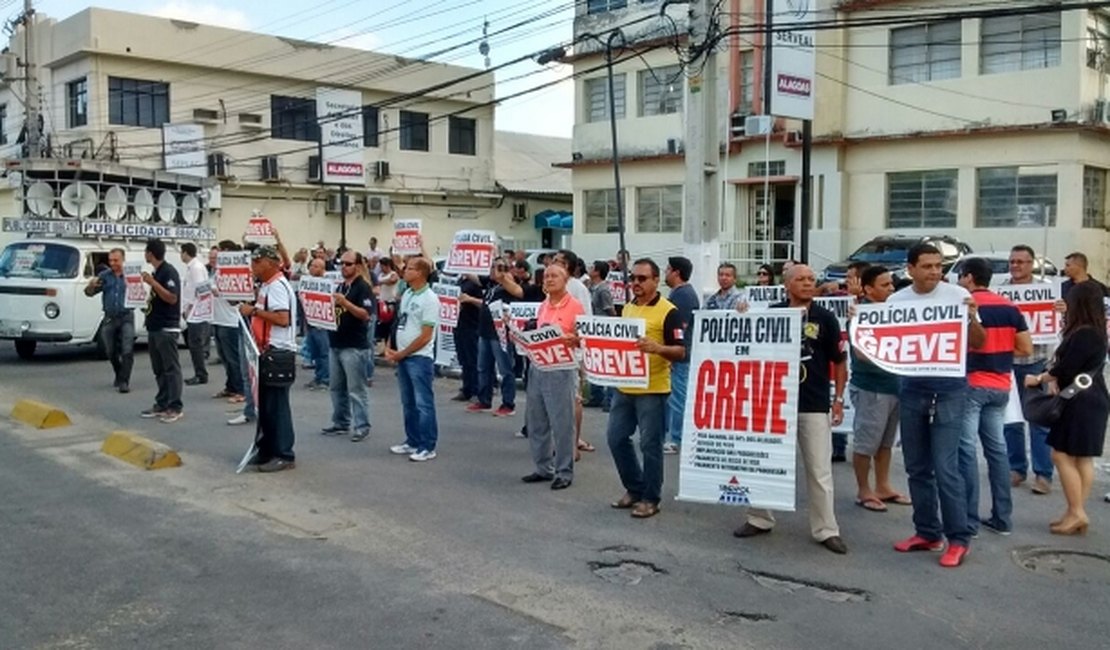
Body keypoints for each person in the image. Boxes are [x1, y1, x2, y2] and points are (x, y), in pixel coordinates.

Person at [733, 264, 849, 555]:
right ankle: (759, 518)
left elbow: (840, 361)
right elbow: (748, 346)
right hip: (774, 404)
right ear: (786, 284)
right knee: (762, 463)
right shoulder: (772, 313)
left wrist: (838, 399)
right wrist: (743, 318)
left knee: (820, 470)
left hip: (813, 403)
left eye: (812, 279)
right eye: (801, 279)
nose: (808, 284)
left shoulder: (826, 318)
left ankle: (826, 530)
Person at [888, 243, 985, 568]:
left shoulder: (957, 296)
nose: (934, 272)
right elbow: (876, 347)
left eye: (938, 266)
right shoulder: (896, 301)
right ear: (910, 268)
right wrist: (859, 324)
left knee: (946, 468)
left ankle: (959, 538)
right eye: (927, 266)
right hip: (912, 387)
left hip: (950, 390)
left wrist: (972, 318)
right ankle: (928, 532)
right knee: (917, 467)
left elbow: (979, 343)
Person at [1024, 282, 1109, 535]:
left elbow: (1066, 368)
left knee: (1060, 455)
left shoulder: (1084, 333)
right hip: (1092, 398)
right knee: (1082, 457)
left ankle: (1077, 511)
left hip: (1080, 400)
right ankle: (1075, 512)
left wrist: (1038, 379)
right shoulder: (1096, 331)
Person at [957, 257, 1032, 536]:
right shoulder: (1010, 307)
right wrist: (999, 352)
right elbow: (1025, 349)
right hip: (1001, 386)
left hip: (971, 384)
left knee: (965, 452)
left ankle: (968, 521)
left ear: (968, 277)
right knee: (997, 452)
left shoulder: (964, 306)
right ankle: (1002, 518)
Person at [607, 259, 685, 520]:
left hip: (653, 389)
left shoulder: (669, 311)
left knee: (650, 445)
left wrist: (658, 348)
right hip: (624, 387)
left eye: (642, 278)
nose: (636, 283)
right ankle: (634, 487)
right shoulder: (628, 308)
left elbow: (681, 351)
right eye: (633, 278)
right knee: (616, 438)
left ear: (655, 280)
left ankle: (651, 498)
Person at [848, 265, 909, 513]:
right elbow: (861, 353)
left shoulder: (894, 312)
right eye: (885, 285)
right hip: (871, 388)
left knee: (885, 442)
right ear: (869, 289)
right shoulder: (860, 314)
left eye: (891, 284)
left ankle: (883, 485)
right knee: (866, 441)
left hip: (895, 386)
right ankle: (864, 490)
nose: (891, 289)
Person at [522, 264, 586, 490]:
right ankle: (543, 467)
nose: (549, 279)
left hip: (560, 368)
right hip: (538, 365)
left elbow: (585, 336)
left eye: (554, 276)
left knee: (562, 423)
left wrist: (574, 338)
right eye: (546, 276)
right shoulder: (543, 306)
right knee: (537, 420)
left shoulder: (576, 306)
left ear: (566, 279)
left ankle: (564, 471)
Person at [1002, 245, 1058, 495]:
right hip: (1007, 362)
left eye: (1021, 262)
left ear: (1031, 263)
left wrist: (1061, 313)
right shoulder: (1001, 291)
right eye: (1012, 261)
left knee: (1039, 419)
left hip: (1037, 362)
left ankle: (1043, 474)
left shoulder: (1047, 290)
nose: (1016, 266)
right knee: (1011, 420)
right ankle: (1016, 468)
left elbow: (1060, 326)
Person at [239, 246, 298, 472]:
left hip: (278, 351)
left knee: (277, 405)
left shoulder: (278, 287)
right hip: (265, 350)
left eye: (258, 261)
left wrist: (253, 312)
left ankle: (284, 453)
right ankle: (267, 449)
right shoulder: (267, 285)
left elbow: (283, 318)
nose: (253, 266)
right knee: (265, 405)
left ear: (272, 263)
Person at [386, 257, 441, 462]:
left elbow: (426, 335)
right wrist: (392, 347)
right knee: (408, 402)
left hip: (419, 358)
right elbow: (400, 322)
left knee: (423, 403)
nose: (405, 271)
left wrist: (403, 352)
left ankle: (428, 445)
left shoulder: (430, 299)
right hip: (403, 356)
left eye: (409, 269)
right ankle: (412, 440)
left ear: (420, 273)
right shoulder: (408, 293)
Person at [321, 250, 373, 442]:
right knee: (336, 387)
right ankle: (341, 422)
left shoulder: (363, 288)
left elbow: (365, 314)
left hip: (354, 345)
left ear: (358, 266)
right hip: (336, 342)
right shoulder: (341, 286)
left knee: (356, 388)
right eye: (341, 263)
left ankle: (362, 425)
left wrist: (346, 303)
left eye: (348, 264)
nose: (344, 267)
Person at [472, 259, 525, 416]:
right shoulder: (490, 285)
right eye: (493, 267)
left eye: (499, 267)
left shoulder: (508, 284)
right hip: (485, 331)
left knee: (505, 369)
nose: (494, 270)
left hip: (500, 334)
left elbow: (518, 292)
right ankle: (484, 400)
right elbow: (472, 276)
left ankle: (508, 403)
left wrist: (502, 275)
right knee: (483, 368)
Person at [139, 239, 184, 423]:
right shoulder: (157, 272)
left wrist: (153, 283)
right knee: (159, 369)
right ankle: (162, 402)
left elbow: (172, 297)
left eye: (146, 252)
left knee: (171, 368)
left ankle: (175, 406)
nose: (145, 255)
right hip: (154, 326)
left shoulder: (168, 272)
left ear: (151, 253)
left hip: (167, 327)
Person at [662, 256, 699, 455]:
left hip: (680, 355)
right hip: (678, 354)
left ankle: (678, 438)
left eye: (668, 269)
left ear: (676, 272)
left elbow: (680, 327)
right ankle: (673, 435)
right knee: (674, 396)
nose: (665, 273)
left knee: (678, 397)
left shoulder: (683, 296)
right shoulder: (680, 293)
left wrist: (670, 355)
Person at [84, 247, 134, 393]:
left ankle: (124, 381)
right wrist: (91, 286)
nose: (112, 263)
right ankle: (118, 372)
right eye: (110, 260)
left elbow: (139, 293)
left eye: (116, 260)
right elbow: (89, 293)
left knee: (127, 349)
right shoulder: (105, 275)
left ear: (123, 260)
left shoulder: (130, 274)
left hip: (126, 316)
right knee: (110, 350)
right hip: (110, 317)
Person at [211, 240, 246, 402]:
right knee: (224, 357)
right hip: (218, 318)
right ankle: (231, 386)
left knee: (233, 357)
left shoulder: (235, 272)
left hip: (230, 320)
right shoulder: (218, 271)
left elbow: (236, 299)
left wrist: (222, 292)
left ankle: (240, 389)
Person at [585, 260, 617, 410]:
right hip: (595, 329)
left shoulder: (602, 290)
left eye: (592, 268)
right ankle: (596, 395)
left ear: (597, 272)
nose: (589, 269)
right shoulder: (592, 288)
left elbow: (609, 309)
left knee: (606, 364)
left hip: (603, 328)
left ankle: (609, 399)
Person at [180, 242, 211, 386]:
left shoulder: (196, 268)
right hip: (193, 310)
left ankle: (200, 374)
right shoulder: (192, 267)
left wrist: (189, 308)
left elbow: (200, 290)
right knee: (193, 344)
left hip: (196, 311)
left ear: (186, 253)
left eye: (182, 253)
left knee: (195, 344)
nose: (181, 256)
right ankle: (199, 372)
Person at [452, 273, 485, 402]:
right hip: (459, 324)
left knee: (473, 359)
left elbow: (484, 303)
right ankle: (467, 389)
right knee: (464, 359)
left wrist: (469, 299)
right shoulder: (460, 280)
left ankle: (477, 389)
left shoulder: (476, 283)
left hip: (472, 325)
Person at [301, 257, 331, 390]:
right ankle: (319, 376)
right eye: (312, 266)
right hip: (311, 322)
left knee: (324, 352)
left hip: (322, 323)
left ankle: (326, 379)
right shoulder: (307, 283)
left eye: (317, 266)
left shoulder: (327, 284)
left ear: (323, 269)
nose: (313, 269)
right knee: (316, 352)